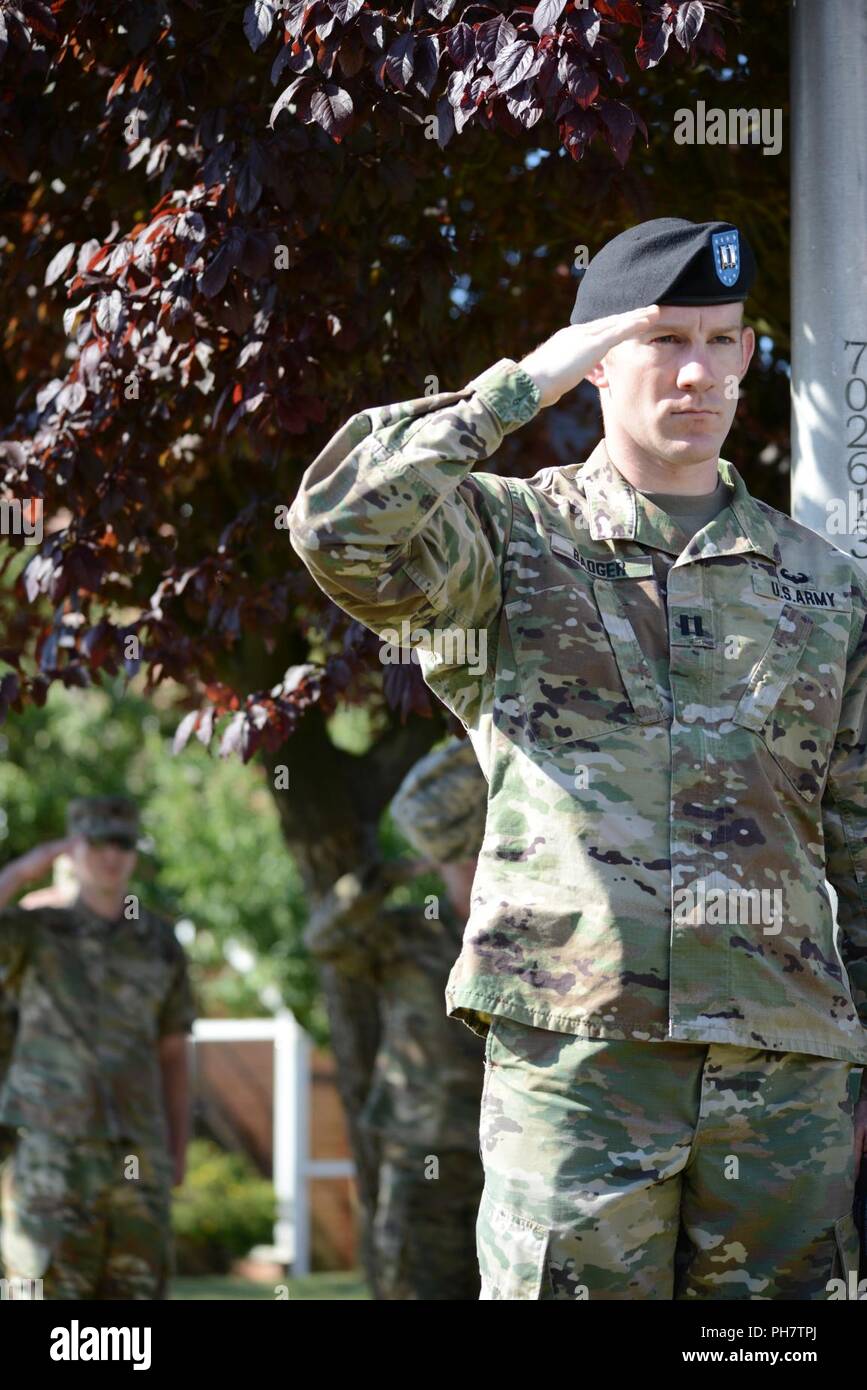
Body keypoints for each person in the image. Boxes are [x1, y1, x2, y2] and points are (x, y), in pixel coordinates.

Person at [288, 216, 867, 1300]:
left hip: (786, 1081)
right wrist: (518, 389)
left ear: (750, 350)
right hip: (580, 1071)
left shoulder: (824, 585)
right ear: (600, 357)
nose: (698, 372)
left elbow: (862, 838)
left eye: (721, 339)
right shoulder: (510, 544)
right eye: (662, 341)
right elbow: (337, 526)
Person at [305, 736, 487, 1299]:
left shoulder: (516, 939)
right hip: (420, 1149)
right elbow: (325, 938)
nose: (468, 866)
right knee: (411, 1285)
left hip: (500, 1148)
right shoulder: (407, 933)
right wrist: (385, 875)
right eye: (458, 856)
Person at [0, 795, 195, 1299]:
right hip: (51, 1150)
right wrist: (25, 869)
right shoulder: (35, 932)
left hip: (138, 1153)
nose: (111, 855)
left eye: (123, 843)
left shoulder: (160, 943)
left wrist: (177, 1145)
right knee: (42, 1290)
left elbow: (173, 1052)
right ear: (73, 848)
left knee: (136, 1296)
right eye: (97, 842)